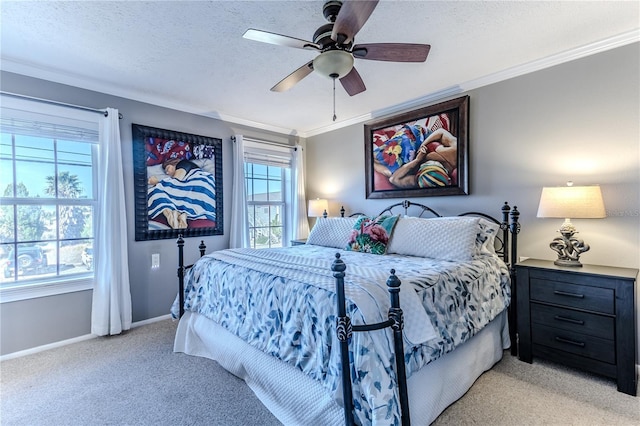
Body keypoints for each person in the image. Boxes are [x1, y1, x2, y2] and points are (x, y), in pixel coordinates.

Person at [147, 158, 216, 229]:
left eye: (168, 168)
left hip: (201, 185)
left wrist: (156, 182)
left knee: (155, 192)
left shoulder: (183, 164)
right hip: (206, 191)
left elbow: (174, 184)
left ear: (174, 163)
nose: (167, 173)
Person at [388, 128, 457, 189]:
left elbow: (393, 179)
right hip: (427, 138)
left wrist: (416, 160)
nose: (427, 161)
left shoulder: (420, 181)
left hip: (415, 160)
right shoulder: (454, 152)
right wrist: (422, 146)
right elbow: (441, 132)